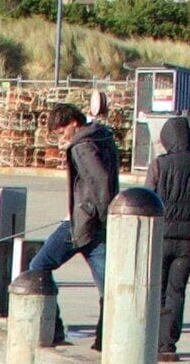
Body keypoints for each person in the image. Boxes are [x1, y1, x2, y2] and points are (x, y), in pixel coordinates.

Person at [26, 102, 123, 288]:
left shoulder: (82, 147)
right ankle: (108, 317)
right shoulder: (102, 137)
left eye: (63, 132)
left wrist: (95, 214)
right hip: (96, 223)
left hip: (82, 221)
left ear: (74, 123)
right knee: (108, 286)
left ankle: (50, 318)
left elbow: (100, 183)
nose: (63, 138)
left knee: (38, 266)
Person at [149, 114, 190, 358]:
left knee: (156, 289)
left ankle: (151, 339)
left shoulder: (160, 164)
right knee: (177, 291)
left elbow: (145, 201)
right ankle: (168, 344)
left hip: (161, 238)